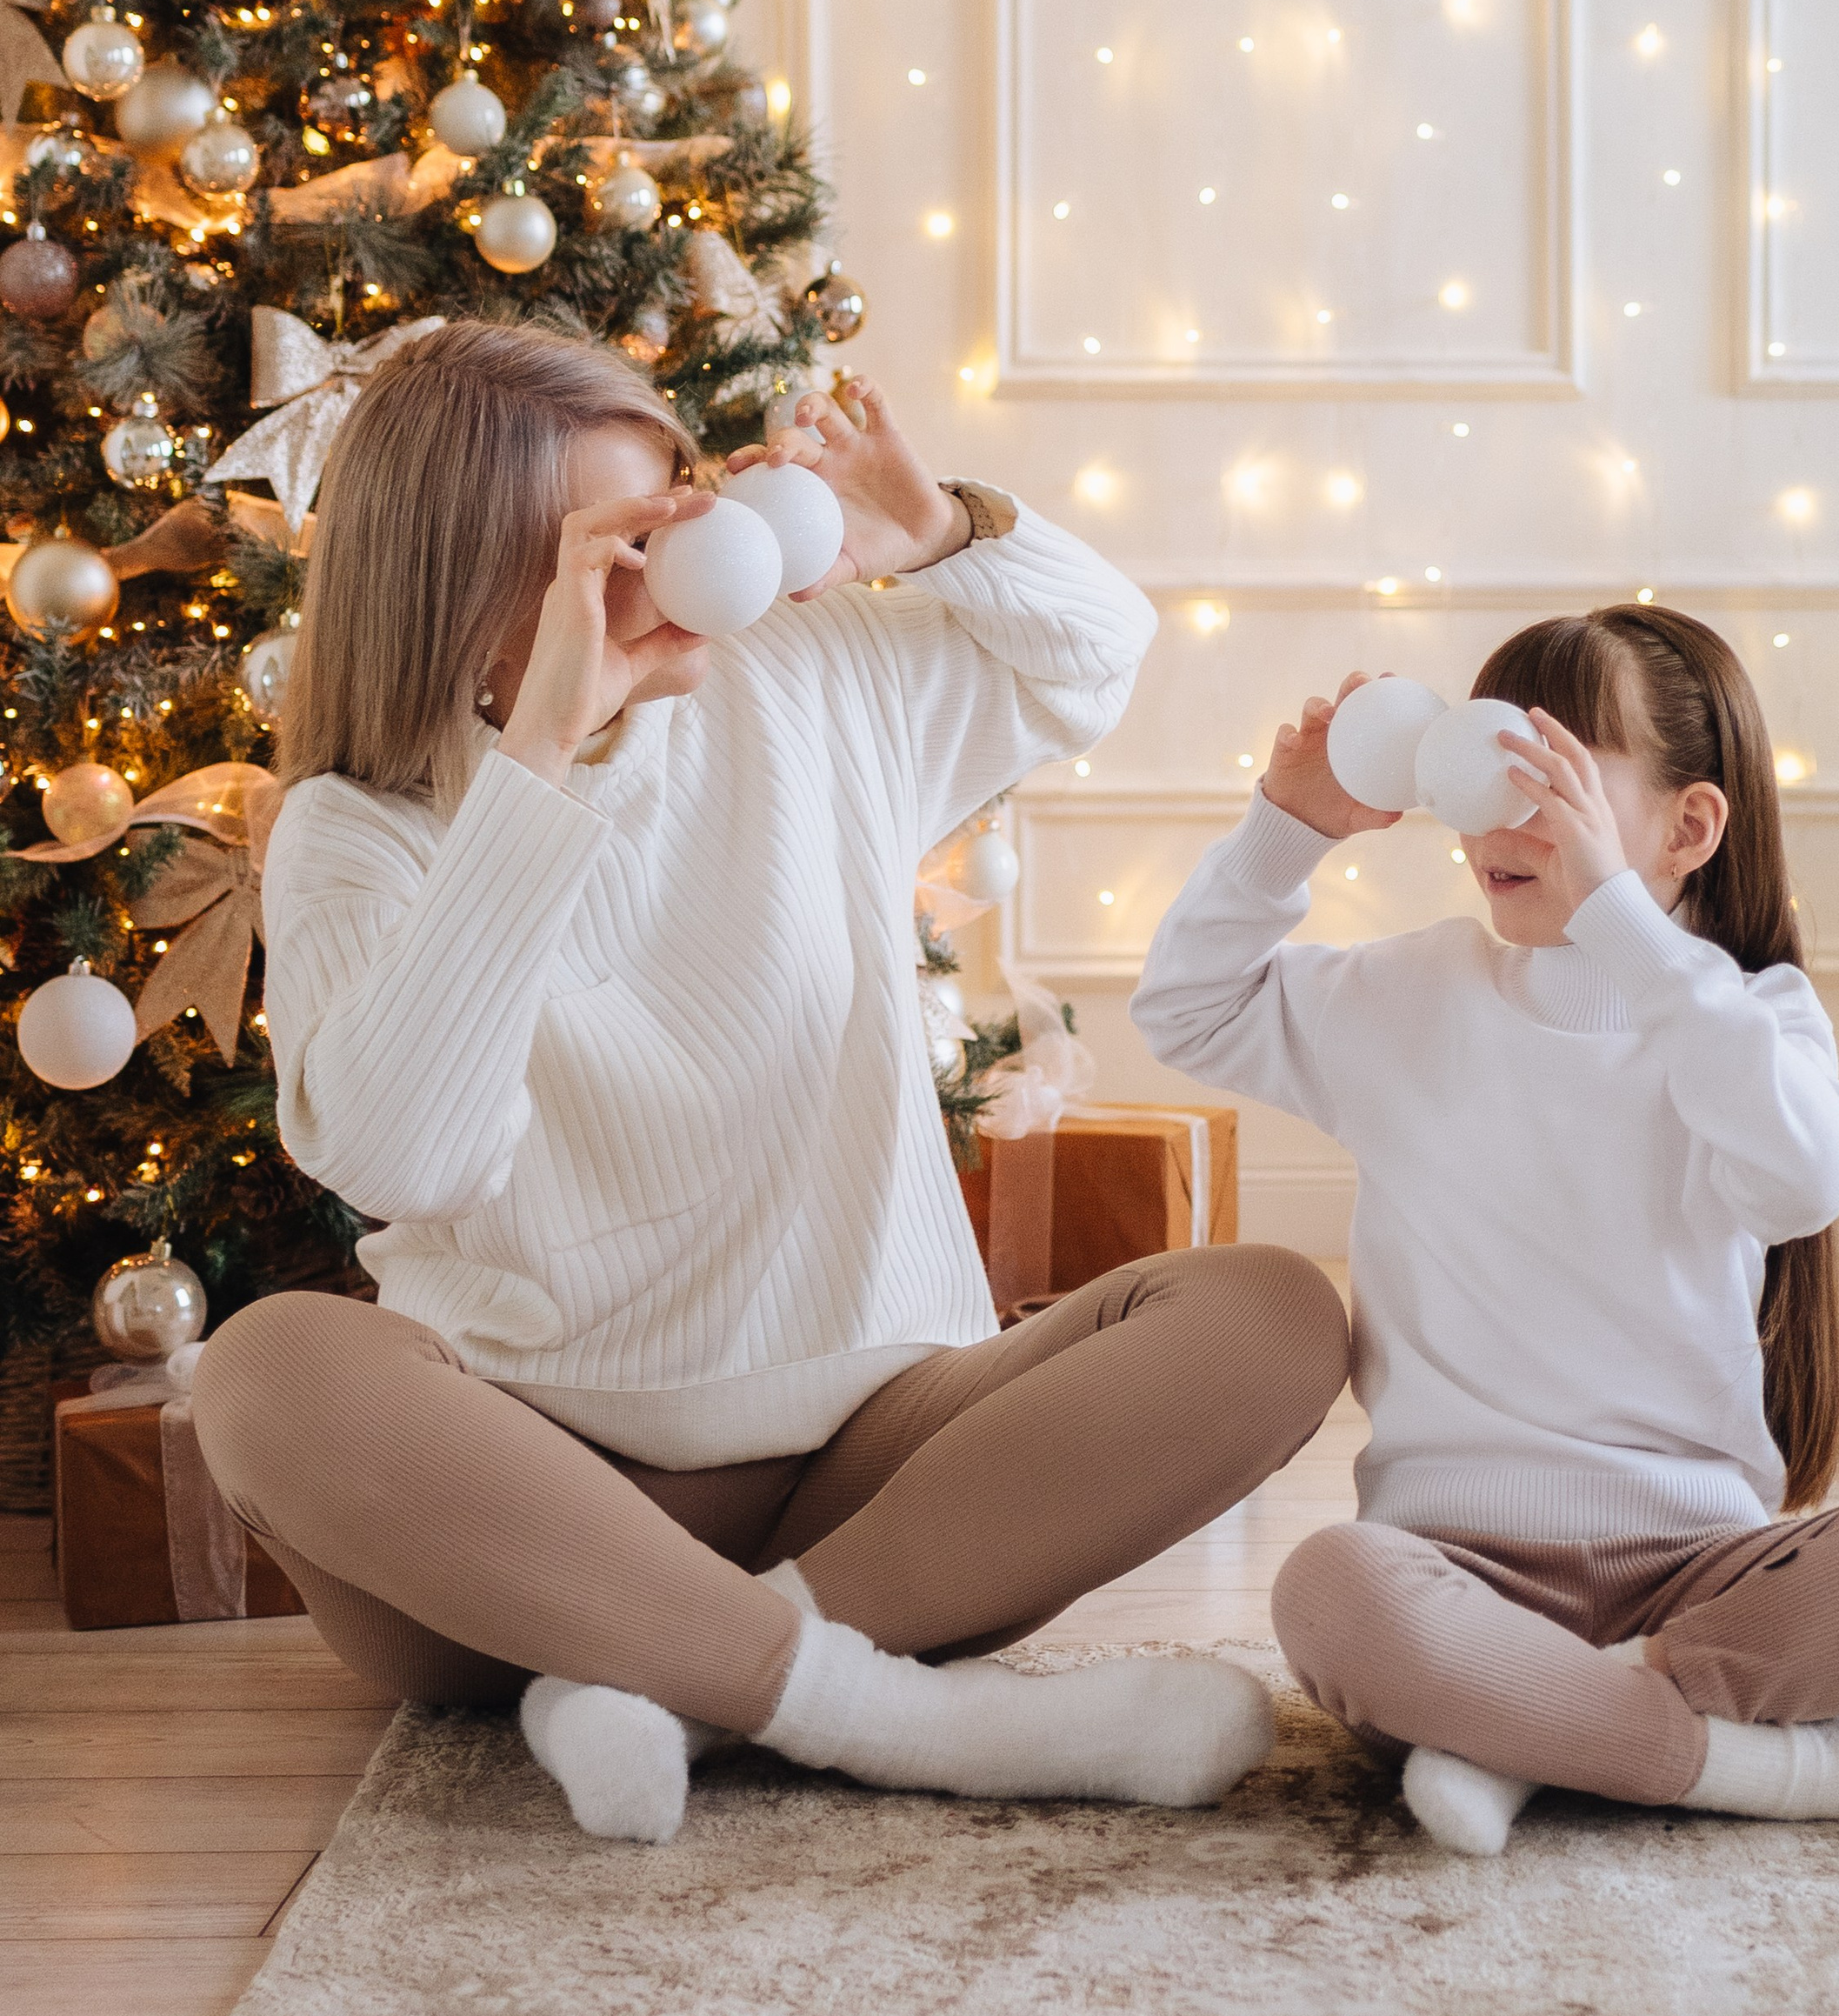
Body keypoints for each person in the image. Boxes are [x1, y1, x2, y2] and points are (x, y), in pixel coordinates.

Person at [193, 323, 1348, 1843]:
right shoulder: (359, 828)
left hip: (875, 1482)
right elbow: (414, 1160)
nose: (673, 575)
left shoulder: (807, 678)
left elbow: (1094, 659)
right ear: (462, 579)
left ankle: (702, 1683)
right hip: (536, 1523)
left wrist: (933, 531)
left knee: (1267, 1315)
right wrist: (541, 760)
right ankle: (886, 1713)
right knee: (271, 1368)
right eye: (608, 549)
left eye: (674, 515)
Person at [1130, 606, 1839, 1856]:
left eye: (1556, 779)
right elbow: (1189, 1011)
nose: (1497, 820)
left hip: (1705, 1570)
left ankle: (1527, 1739)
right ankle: (1781, 1774)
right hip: (1451, 1576)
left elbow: (1804, 1177)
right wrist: (1289, 823)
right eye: (1485, 767)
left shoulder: (1749, 1020)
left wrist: (1622, 927)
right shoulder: (1411, 994)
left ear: (1689, 827)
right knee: (1329, 1587)